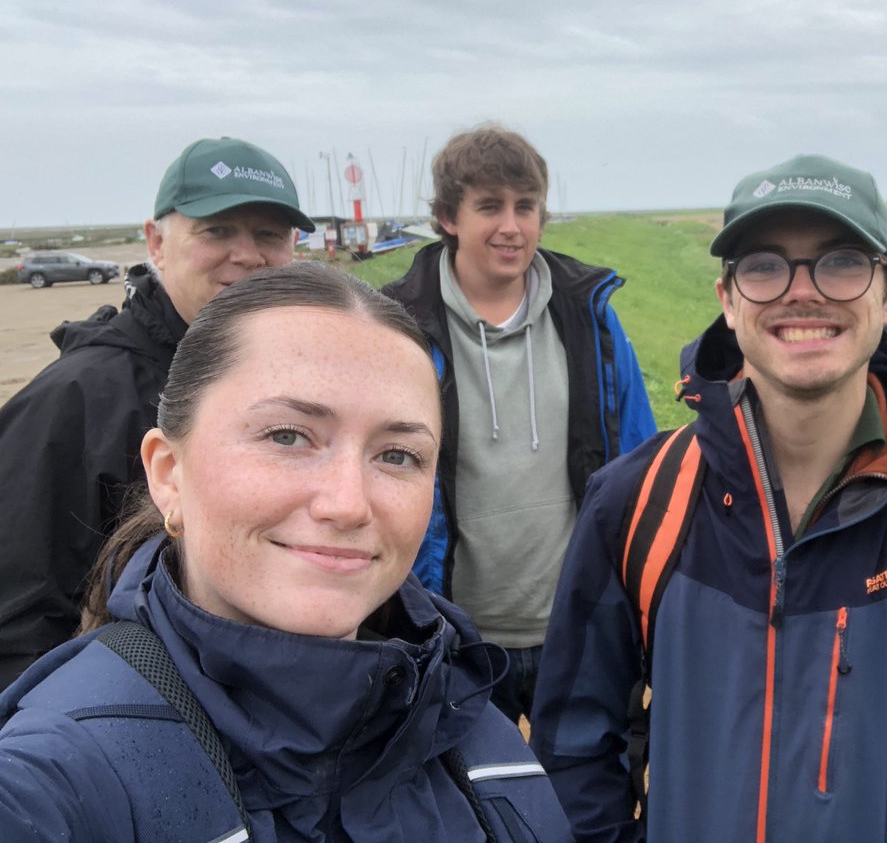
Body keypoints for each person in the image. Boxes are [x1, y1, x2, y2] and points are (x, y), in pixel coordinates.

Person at [529, 154, 887, 841]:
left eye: (841, 261)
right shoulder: (636, 502)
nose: (803, 292)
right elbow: (573, 756)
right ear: (728, 299)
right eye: (765, 265)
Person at [0, 263, 572, 842]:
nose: (348, 504)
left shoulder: (469, 721)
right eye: (287, 436)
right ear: (169, 474)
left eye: (398, 455)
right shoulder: (62, 770)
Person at [0, 137, 314, 690]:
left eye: (268, 235)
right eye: (216, 230)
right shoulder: (76, 399)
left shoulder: (299, 381)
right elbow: (19, 619)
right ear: (157, 243)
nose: (246, 255)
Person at [381, 124, 657, 726]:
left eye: (525, 206)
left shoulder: (591, 320)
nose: (512, 226)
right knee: (475, 810)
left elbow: (640, 461)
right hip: (453, 633)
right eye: (490, 206)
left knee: (583, 801)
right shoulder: (398, 329)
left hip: (577, 620)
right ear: (449, 217)